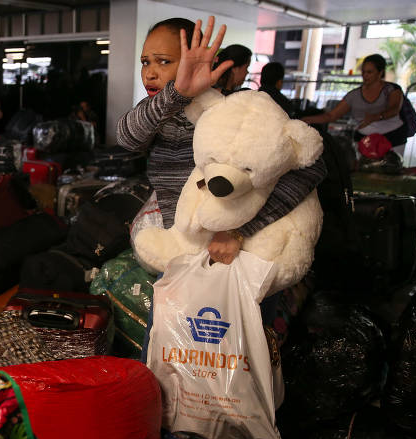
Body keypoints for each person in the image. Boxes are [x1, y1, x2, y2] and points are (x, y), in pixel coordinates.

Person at [116, 16, 327, 361]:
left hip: (242, 255)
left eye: (164, 62)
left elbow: (310, 166)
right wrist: (177, 93)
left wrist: (240, 230)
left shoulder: (241, 109)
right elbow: (126, 136)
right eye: (145, 62)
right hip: (183, 255)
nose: (150, 73)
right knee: (169, 353)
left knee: (240, 360)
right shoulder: (159, 112)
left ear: (205, 61)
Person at [301, 54, 407, 154]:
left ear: (380, 73)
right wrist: (307, 120)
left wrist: (375, 117)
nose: (365, 75)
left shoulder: (391, 90)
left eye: (369, 72)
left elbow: (394, 109)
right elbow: (332, 115)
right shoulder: (354, 95)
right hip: (364, 140)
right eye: (363, 72)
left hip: (392, 138)